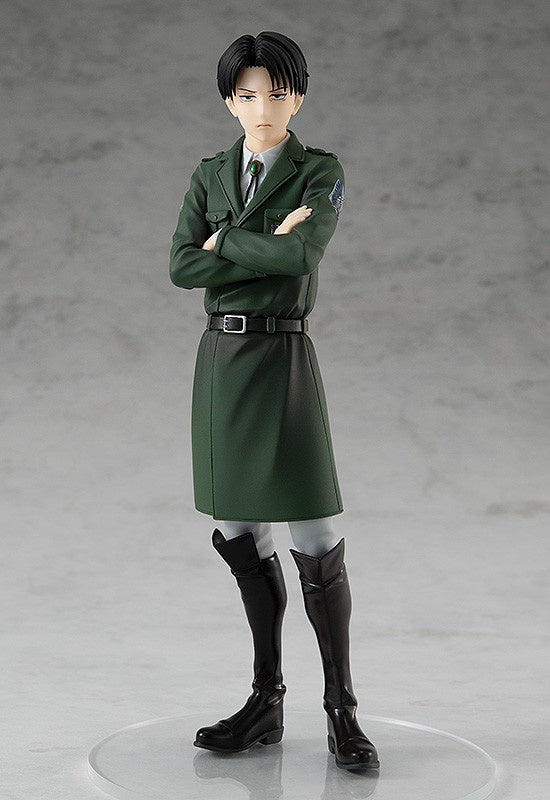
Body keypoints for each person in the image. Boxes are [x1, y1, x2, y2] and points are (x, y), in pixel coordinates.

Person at [169, 31, 379, 771]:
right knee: (236, 528)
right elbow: (180, 265)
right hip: (223, 361)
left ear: (300, 96)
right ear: (229, 101)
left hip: (283, 357)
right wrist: (254, 244)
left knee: (314, 530)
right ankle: (266, 698)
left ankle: (341, 708)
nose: (264, 108)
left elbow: (300, 257)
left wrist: (224, 242)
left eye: (279, 93)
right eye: (248, 94)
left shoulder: (319, 171)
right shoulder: (210, 174)